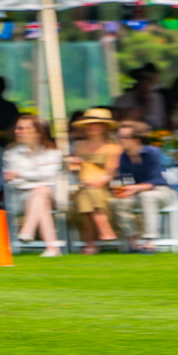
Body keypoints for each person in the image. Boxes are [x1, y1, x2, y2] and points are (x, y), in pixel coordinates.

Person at [3, 115, 64, 257]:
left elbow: (49, 176)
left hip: (52, 197)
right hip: (19, 197)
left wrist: (20, 174)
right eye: (18, 128)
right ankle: (52, 247)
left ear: (38, 132)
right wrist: (34, 176)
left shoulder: (53, 153)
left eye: (24, 128)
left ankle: (28, 229)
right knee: (41, 194)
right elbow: (12, 180)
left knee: (40, 192)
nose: (18, 131)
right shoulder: (11, 154)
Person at [112, 122, 176, 253]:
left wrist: (134, 188)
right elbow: (124, 179)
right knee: (117, 202)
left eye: (123, 138)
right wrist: (123, 190)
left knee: (147, 196)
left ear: (136, 140)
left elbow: (155, 180)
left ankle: (150, 242)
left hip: (162, 191)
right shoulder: (123, 157)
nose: (120, 140)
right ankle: (133, 243)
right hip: (139, 192)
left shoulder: (153, 153)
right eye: (119, 137)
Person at [67, 108, 121, 255]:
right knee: (87, 193)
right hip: (82, 186)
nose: (91, 127)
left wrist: (98, 181)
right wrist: (73, 164)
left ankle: (90, 244)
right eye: (88, 124)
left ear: (104, 127)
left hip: (104, 189)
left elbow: (111, 172)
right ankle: (105, 229)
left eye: (95, 124)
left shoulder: (113, 148)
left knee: (89, 195)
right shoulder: (79, 146)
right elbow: (72, 169)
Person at [114, 64, 166, 129]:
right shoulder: (124, 99)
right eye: (142, 80)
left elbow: (159, 123)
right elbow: (117, 120)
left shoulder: (157, 98)